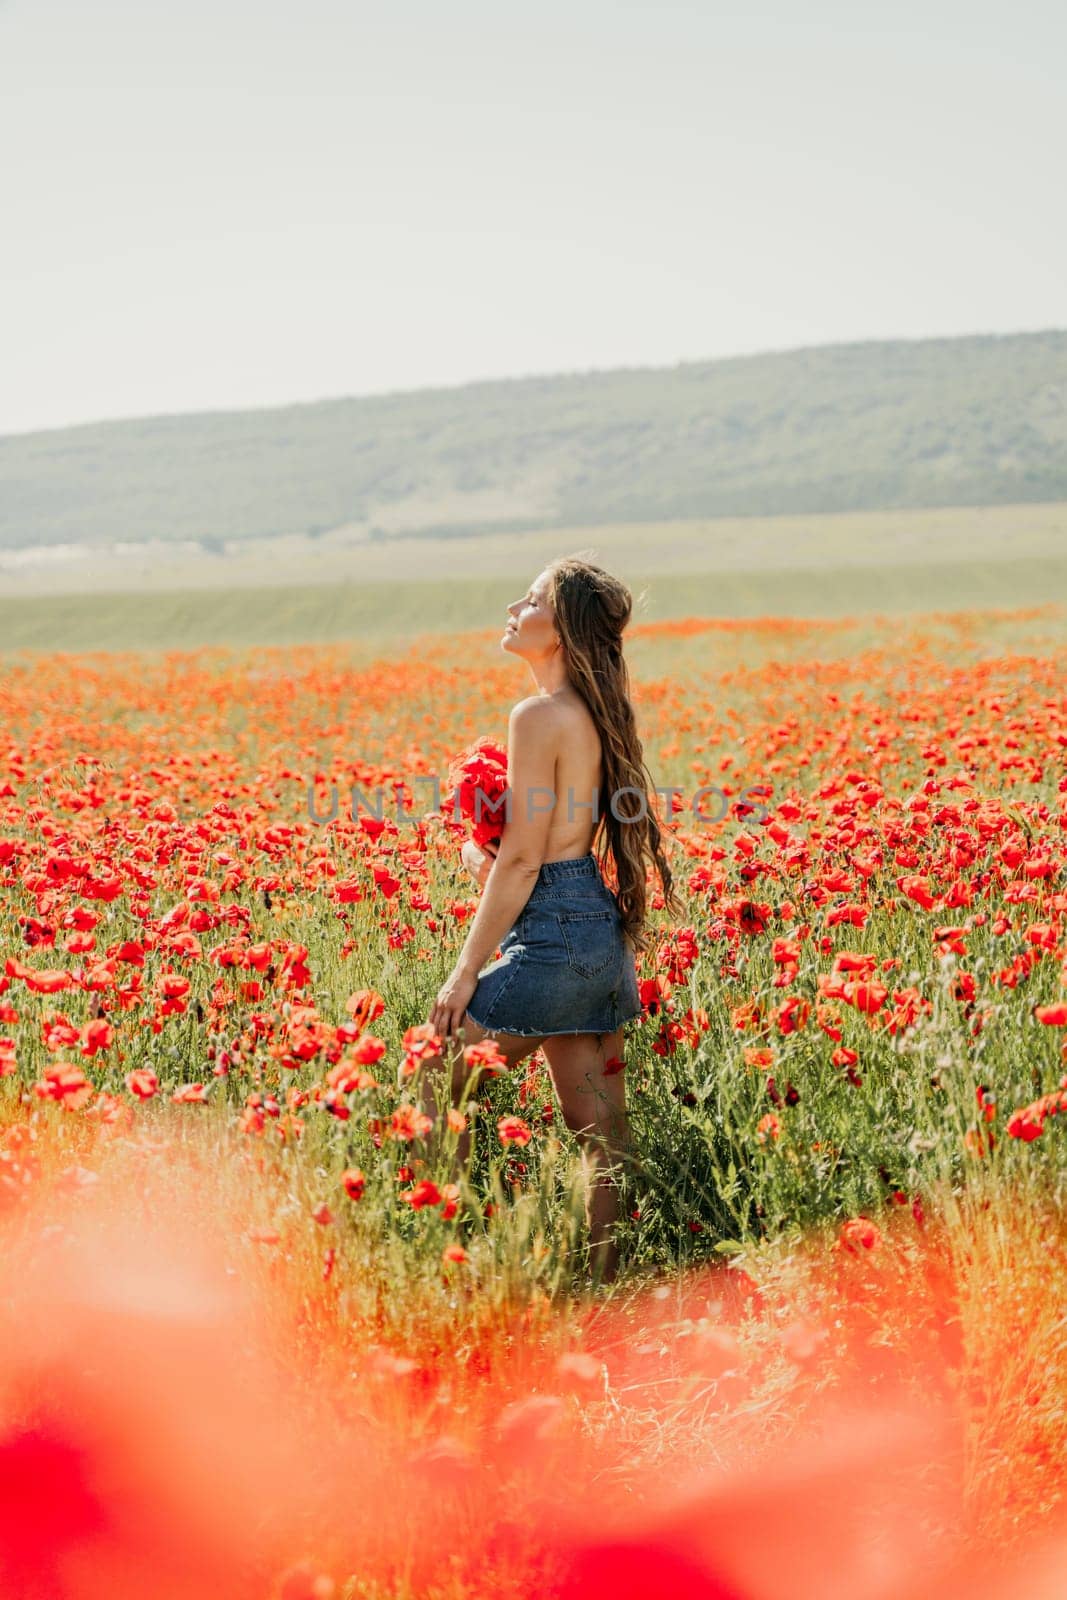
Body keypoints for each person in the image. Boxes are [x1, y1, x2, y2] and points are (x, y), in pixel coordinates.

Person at [415, 555, 680, 1285]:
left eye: (529, 599)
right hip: (594, 931)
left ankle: (455, 1251)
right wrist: (491, 852)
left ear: (559, 628)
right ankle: (605, 1286)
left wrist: (464, 970)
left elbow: (528, 860)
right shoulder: (593, 714)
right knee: (602, 1136)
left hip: (552, 935)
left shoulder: (536, 715)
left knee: (434, 1069)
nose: (512, 606)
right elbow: (551, 842)